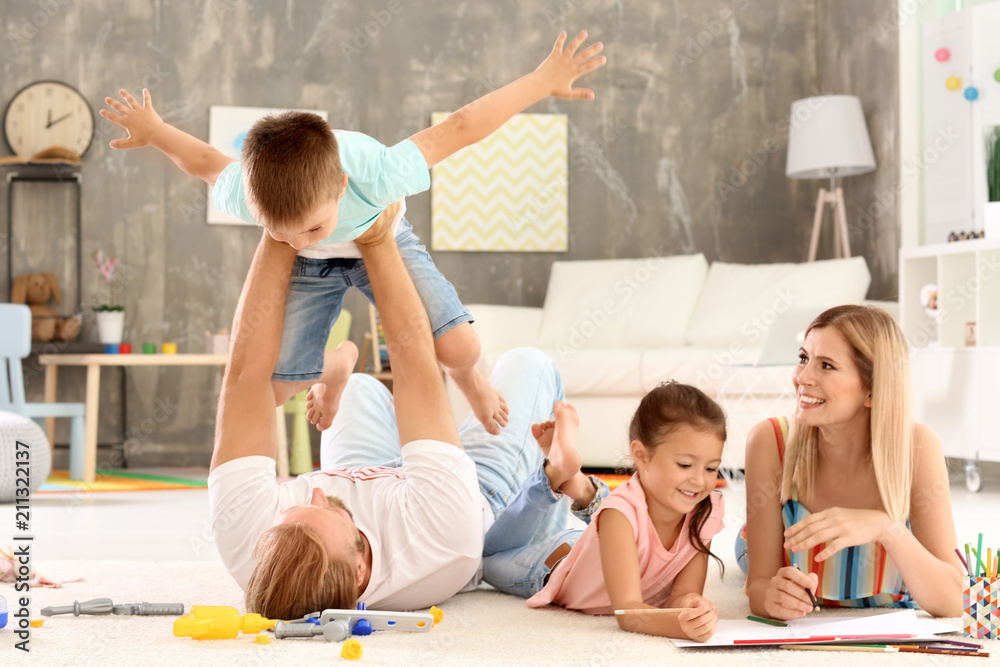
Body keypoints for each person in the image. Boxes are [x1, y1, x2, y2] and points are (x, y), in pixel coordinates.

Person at [100, 30, 606, 436]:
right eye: (283, 232)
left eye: (313, 226)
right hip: (313, 273)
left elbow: (460, 127)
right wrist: (154, 131)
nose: (298, 239)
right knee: (273, 388)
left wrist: (542, 81)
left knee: (458, 346)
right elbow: (207, 163)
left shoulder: (375, 170)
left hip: (381, 240)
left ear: (342, 186)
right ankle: (335, 367)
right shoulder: (253, 192)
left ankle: (470, 380)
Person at [205, 199, 588, 618]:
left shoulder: (247, 542)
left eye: (293, 511)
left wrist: (280, 225)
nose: (315, 491)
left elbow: (244, 375)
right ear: (357, 570)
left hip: (364, 472)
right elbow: (416, 363)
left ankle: (341, 368)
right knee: (528, 362)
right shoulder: (440, 541)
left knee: (358, 388)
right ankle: (538, 506)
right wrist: (377, 234)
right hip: (475, 493)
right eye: (322, 511)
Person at [738, 305, 965, 620]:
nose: (802, 378)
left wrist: (887, 528)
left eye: (826, 365)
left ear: (871, 390)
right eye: (804, 358)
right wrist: (772, 597)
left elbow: (955, 601)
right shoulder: (769, 441)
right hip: (761, 540)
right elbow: (759, 586)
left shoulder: (917, 446)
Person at [481, 381, 727, 643]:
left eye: (711, 468)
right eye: (685, 464)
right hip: (552, 564)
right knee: (483, 559)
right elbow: (627, 613)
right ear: (641, 456)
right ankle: (553, 475)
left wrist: (692, 605)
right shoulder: (619, 515)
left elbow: (682, 594)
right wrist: (677, 625)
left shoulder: (705, 512)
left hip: (603, 545)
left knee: (619, 514)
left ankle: (577, 482)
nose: (700, 481)